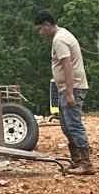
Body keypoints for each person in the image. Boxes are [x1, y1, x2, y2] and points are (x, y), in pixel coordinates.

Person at [35, 11, 93, 176]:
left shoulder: (59, 40)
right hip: (68, 88)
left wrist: (69, 93)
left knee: (74, 125)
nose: (40, 33)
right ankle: (77, 160)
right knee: (67, 126)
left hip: (72, 88)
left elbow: (67, 65)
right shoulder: (62, 35)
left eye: (40, 29)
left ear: (47, 25)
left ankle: (86, 162)